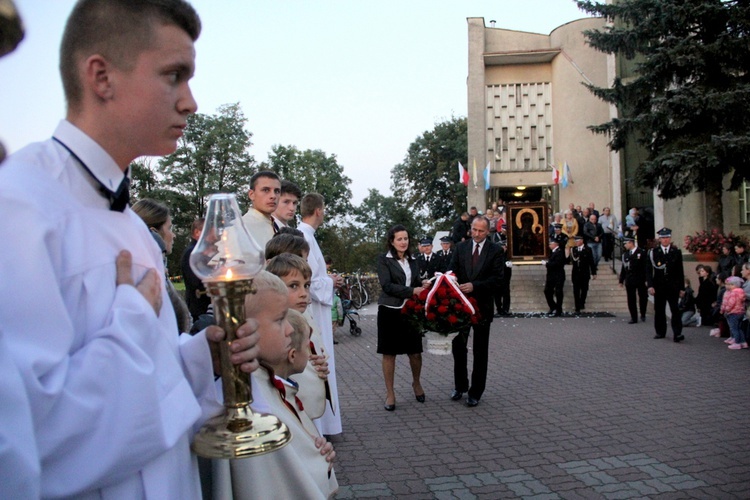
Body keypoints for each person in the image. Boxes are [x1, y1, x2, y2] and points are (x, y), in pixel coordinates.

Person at [0, 1, 261, 497]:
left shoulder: (132, 225)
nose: (190, 102)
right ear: (101, 76)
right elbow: (29, 442)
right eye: (174, 75)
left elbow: (147, 378)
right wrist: (132, 319)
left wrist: (199, 359)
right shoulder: (18, 207)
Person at [212, 272, 338, 499]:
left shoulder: (267, 383)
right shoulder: (245, 408)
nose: (289, 330)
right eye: (280, 320)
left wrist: (317, 453)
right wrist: (319, 466)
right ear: (243, 329)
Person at [265, 253, 331, 421]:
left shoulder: (303, 319)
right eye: (294, 286)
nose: (303, 293)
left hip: (307, 408)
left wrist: (317, 366)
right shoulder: (272, 331)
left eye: (306, 285)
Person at [299, 193, 343, 435]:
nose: (324, 213)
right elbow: (311, 281)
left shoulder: (308, 236)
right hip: (315, 309)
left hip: (318, 306)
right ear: (318, 211)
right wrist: (330, 282)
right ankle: (322, 423)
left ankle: (327, 422)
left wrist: (327, 279)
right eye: (323, 209)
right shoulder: (304, 236)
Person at [448, 217, 504, 407]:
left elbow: (498, 280)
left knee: (480, 351)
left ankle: (476, 392)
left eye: (481, 231)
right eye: (474, 230)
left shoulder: (495, 251)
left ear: (488, 232)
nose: (477, 234)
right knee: (458, 348)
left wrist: (475, 286)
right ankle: (460, 385)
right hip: (460, 307)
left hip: (482, 307)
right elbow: (451, 271)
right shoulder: (460, 248)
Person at [376, 225, 428, 411]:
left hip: (410, 310)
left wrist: (423, 283)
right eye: (399, 239)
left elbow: (414, 282)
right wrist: (412, 290)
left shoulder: (414, 260)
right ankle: (390, 393)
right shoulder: (384, 260)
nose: (403, 242)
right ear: (392, 241)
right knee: (389, 353)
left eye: (406, 238)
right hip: (390, 310)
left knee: (415, 352)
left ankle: (416, 383)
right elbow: (387, 285)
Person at [132, 198, 192, 334]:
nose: (173, 235)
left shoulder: (156, 271)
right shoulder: (147, 278)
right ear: (154, 233)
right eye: (170, 228)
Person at [647, 227, 685, 342]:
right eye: (663, 238)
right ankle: (660, 332)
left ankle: (677, 333)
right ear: (659, 239)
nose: (665, 240)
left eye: (667, 237)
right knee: (659, 310)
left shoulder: (676, 252)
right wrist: (650, 285)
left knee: (675, 310)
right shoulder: (653, 252)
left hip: (673, 286)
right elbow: (649, 270)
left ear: (670, 238)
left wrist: (682, 288)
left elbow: (680, 271)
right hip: (659, 286)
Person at [242, 170, 281, 256]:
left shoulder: (280, 228)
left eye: (277, 191)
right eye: (266, 190)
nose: (273, 196)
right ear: (251, 194)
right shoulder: (240, 228)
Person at [181, 217, 212, 322]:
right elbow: (196, 282)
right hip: (199, 308)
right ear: (197, 232)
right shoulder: (192, 253)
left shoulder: (200, 252)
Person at [619, 236, 649, 323]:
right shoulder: (626, 254)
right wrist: (621, 280)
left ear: (631, 243)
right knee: (631, 299)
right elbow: (624, 268)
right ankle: (634, 317)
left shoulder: (642, 252)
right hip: (630, 279)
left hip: (640, 279)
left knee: (643, 297)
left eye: (626, 243)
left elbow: (646, 267)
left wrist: (647, 279)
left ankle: (643, 313)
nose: (625, 245)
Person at [570, 235, 597, 314]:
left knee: (584, 289)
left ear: (582, 241)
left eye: (577, 240)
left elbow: (591, 262)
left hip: (584, 273)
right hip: (576, 273)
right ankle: (577, 307)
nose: (576, 242)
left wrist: (593, 272)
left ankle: (582, 302)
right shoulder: (573, 249)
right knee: (576, 290)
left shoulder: (588, 249)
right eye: (575, 241)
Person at [721, 276, 747, 349]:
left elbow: (731, 303)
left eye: (731, 285)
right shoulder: (741, 291)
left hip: (733, 312)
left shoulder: (733, 292)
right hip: (740, 312)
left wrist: (726, 309)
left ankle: (737, 342)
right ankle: (743, 342)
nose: (729, 286)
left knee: (734, 328)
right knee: (739, 328)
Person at [543, 237, 567, 317]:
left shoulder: (560, 252)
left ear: (555, 244)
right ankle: (553, 306)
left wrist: (547, 264)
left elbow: (557, 264)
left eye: (550, 244)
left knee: (558, 292)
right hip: (551, 275)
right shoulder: (552, 252)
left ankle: (559, 310)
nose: (549, 245)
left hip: (558, 275)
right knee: (547, 291)